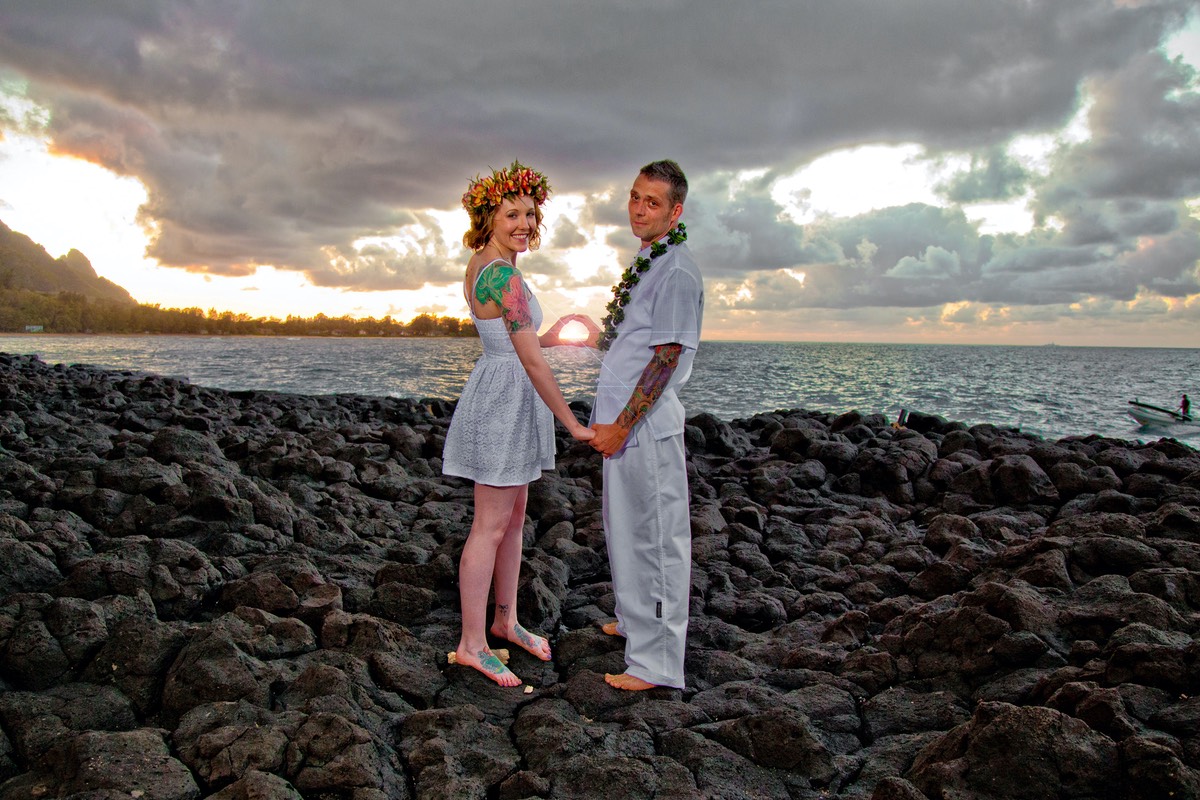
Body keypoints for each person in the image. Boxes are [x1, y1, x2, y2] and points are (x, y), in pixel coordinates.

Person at [442, 160, 595, 687]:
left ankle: (505, 620)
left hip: (506, 391)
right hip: (507, 399)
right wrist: (573, 423)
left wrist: (559, 335)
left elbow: (517, 340)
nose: (524, 223)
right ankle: (471, 644)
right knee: (489, 525)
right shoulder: (502, 274)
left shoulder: (489, 264)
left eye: (530, 213)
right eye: (512, 214)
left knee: (512, 518)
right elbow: (527, 360)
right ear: (488, 218)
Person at [590, 160, 703, 691]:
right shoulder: (649, 259)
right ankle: (636, 622)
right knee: (625, 529)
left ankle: (657, 663)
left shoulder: (677, 269)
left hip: (646, 427)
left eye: (652, 202)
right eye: (635, 196)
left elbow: (666, 357)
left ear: (674, 211)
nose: (638, 208)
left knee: (656, 538)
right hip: (621, 426)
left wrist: (623, 425)